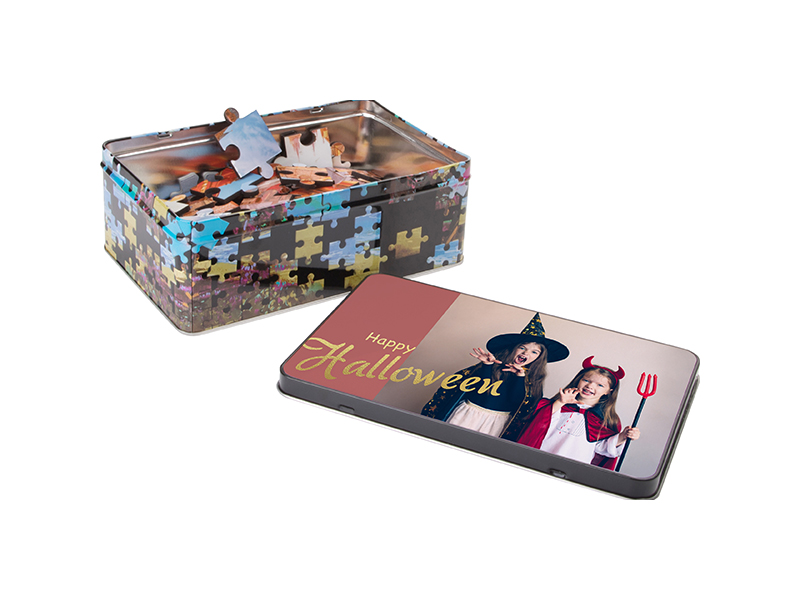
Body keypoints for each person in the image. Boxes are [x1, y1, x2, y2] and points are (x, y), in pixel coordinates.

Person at [421, 313, 568, 437]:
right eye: (522, 348)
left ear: (538, 358)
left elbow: (518, 404)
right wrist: (487, 366)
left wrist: (519, 377)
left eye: (534, 352)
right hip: (468, 414)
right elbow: (481, 393)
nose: (526, 353)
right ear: (513, 349)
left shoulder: (532, 381)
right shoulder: (492, 366)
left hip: (496, 423)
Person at [516, 356, 640, 469]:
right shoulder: (556, 406)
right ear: (578, 380)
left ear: (608, 391)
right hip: (540, 459)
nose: (590, 386)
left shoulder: (605, 420)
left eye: (600, 385)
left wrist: (623, 436)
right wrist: (560, 402)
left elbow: (602, 448)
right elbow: (539, 425)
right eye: (586, 380)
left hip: (573, 468)